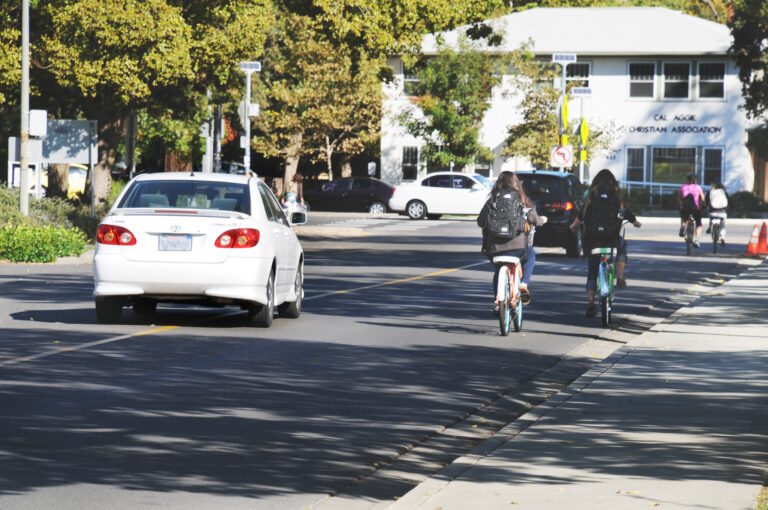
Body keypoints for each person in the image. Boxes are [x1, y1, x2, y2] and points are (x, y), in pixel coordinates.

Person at [569, 169, 641, 318]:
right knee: (622, 246)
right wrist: (635, 222)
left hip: (593, 240)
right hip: (611, 238)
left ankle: (590, 302)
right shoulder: (615, 196)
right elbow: (623, 212)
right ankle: (620, 276)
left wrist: (574, 226)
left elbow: (581, 215)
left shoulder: (590, 196)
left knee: (592, 271)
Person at [477, 171, 547, 313]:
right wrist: (543, 220)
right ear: (516, 183)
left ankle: (498, 302)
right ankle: (524, 284)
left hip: (495, 248)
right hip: (518, 248)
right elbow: (535, 221)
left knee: (498, 270)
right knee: (531, 254)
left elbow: (480, 221)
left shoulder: (492, 200)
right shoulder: (522, 199)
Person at [678, 173, 706, 248]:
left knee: (684, 217)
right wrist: (703, 204)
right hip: (695, 208)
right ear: (695, 180)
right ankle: (697, 240)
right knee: (698, 224)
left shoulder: (683, 187)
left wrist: (680, 205)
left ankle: (683, 227)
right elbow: (703, 198)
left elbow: (679, 199)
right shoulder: (698, 187)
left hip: (685, 208)